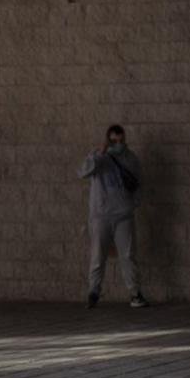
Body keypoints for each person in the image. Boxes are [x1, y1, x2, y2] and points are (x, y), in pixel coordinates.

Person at [81, 123, 148, 308]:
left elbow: (138, 183)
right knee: (98, 254)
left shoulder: (130, 158)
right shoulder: (99, 157)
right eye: (113, 141)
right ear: (107, 140)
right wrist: (100, 154)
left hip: (123, 214)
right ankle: (93, 291)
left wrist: (132, 205)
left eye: (121, 140)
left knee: (127, 255)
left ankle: (135, 293)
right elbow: (84, 171)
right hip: (101, 214)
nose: (118, 144)